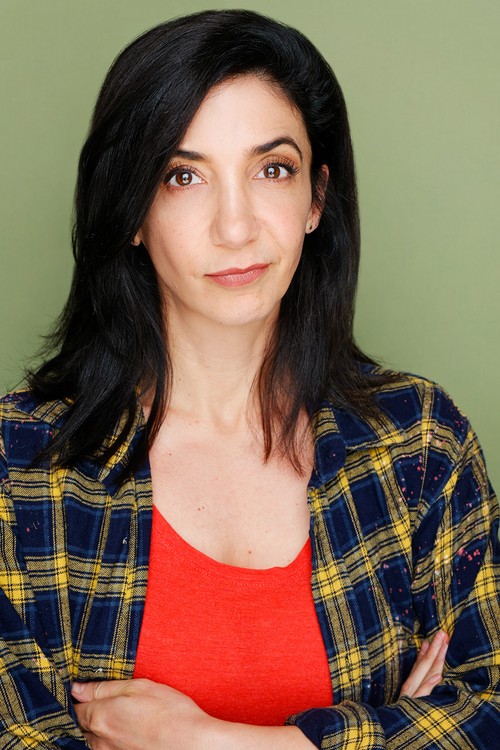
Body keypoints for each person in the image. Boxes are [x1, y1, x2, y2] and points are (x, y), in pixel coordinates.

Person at [0, 8, 498, 749]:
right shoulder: (19, 465)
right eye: (183, 176)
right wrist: (396, 732)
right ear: (131, 211)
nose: (235, 227)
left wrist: (214, 742)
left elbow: (489, 713)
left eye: (272, 169)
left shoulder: (420, 444)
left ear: (316, 198)